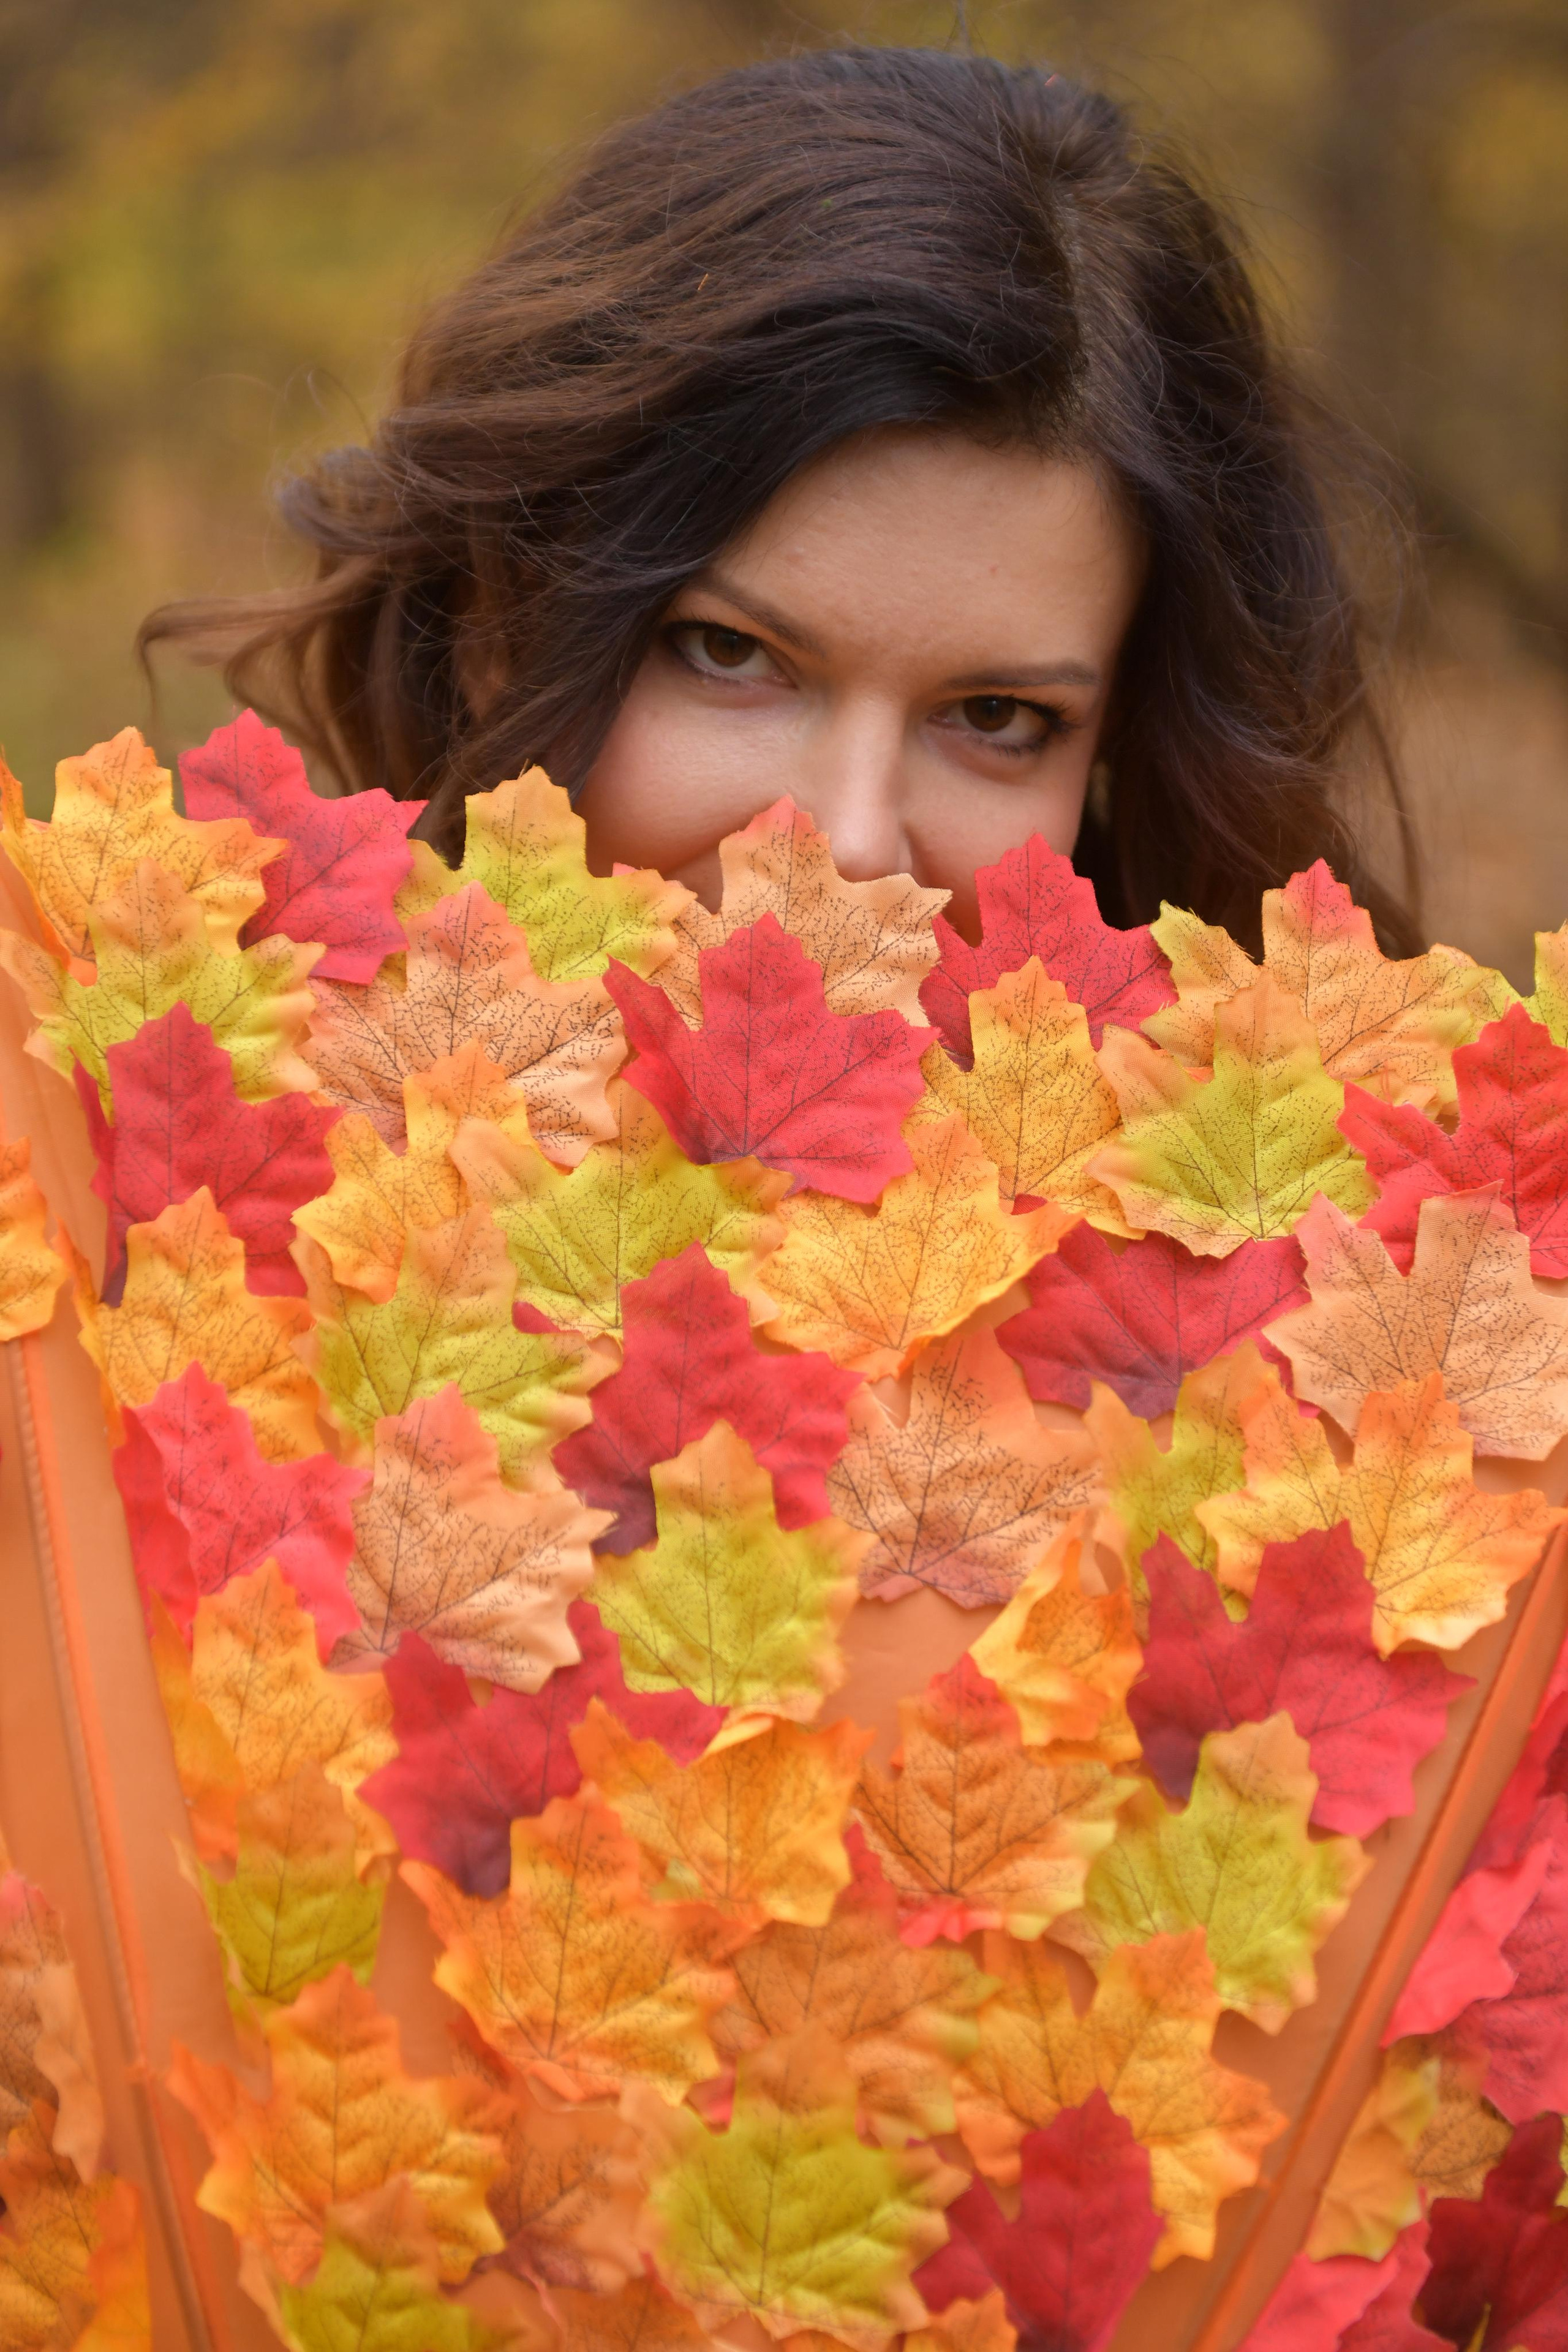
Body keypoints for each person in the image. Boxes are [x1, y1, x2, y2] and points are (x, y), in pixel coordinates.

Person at [141, 44, 1417, 954]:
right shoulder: (136, 1198)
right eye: (728, 652)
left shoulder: (1332, 1285)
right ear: (494, 620)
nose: (846, 847)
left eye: (996, 714)